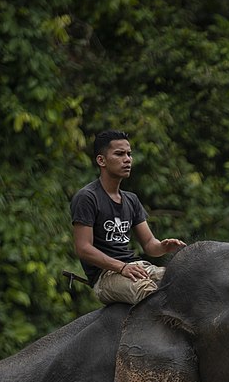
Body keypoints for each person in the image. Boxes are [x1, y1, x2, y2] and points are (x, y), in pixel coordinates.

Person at [70, 129, 186, 305]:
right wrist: (121, 267)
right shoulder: (87, 197)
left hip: (135, 267)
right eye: (119, 154)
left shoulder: (131, 199)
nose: (127, 159)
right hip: (106, 276)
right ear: (101, 160)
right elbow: (83, 248)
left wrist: (163, 246)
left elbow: (149, 245)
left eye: (129, 154)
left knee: (186, 279)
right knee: (149, 293)